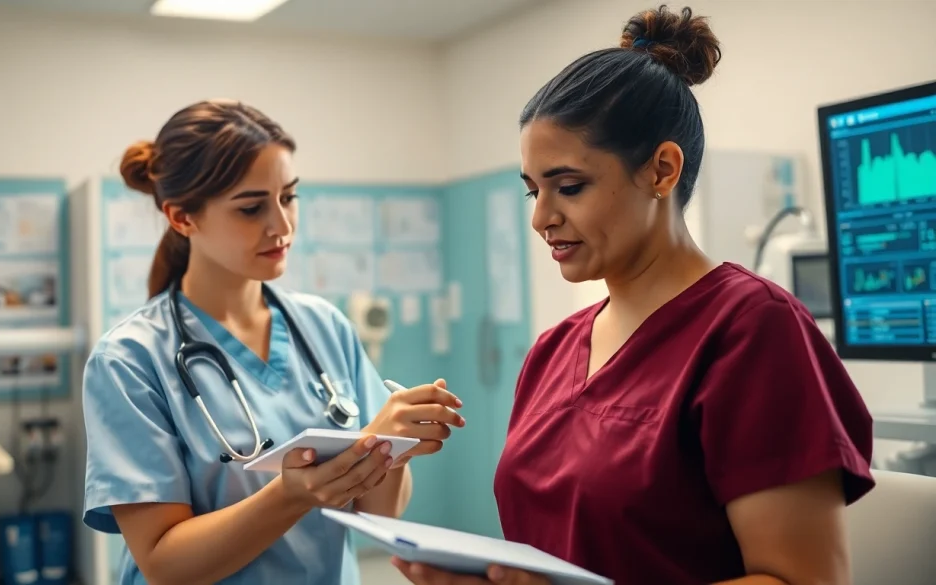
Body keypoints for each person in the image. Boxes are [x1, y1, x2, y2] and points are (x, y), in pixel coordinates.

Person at [393, 5, 874, 585]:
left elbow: (804, 579)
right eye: (532, 192)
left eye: (569, 186)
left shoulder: (752, 330)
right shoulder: (553, 352)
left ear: (662, 171)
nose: (542, 218)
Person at [81, 99, 466, 585]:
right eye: (251, 207)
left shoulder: (323, 326)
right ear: (182, 218)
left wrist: (392, 445)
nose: (281, 226)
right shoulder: (130, 360)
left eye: (288, 197)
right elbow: (163, 564)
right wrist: (293, 494)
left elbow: (379, 512)